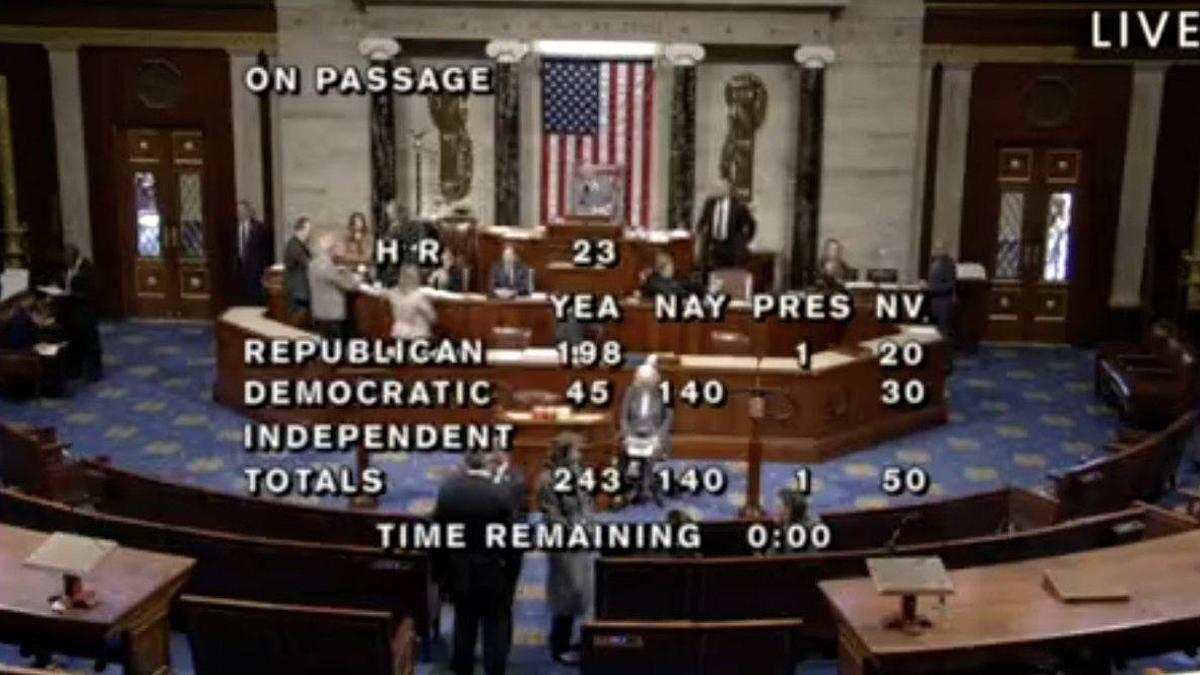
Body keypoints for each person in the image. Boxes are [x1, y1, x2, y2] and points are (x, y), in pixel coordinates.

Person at [434, 451, 516, 675]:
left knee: (463, 622)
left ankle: (462, 668)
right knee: (495, 626)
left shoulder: (447, 491)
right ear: (489, 464)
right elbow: (512, 543)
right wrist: (512, 577)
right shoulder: (502, 494)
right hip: (494, 573)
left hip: (459, 571)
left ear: (465, 463)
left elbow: (438, 539)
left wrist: (440, 576)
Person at [538, 433, 594, 665]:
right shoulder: (548, 479)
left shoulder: (579, 472)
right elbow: (552, 516)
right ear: (565, 452)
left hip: (584, 543)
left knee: (584, 594)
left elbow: (588, 503)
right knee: (566, 594)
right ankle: (559, 645)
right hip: (564, 545)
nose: (580, 454)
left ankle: (579, 644)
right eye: (576, 450)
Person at [619, 358, 672, 506]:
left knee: (649, 457)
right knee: (628, 455)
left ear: (655, 381)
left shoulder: (663, 394)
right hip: (633, 434)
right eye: (642, 381)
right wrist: (627, 435)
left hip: (654, 435)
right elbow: (624, 417)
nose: (644, 384)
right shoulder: (630, 392)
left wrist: (658, 438)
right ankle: (635, 487)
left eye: (648, 381)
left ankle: (645, 489)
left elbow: (667, 420)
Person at [490, 448, 528, 658]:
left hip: (507, 554)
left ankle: (501, 652)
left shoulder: (516, 480)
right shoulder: (477, 482)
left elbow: (518, 517)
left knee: (503, 605)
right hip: (482, 553)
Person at [694, 178, 756, 275]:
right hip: (714, 247)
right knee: (713, 274)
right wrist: (699, 236)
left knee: (729, 275)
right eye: (715, 187)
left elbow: (751, 224)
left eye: (719, 187)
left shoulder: (738, 205)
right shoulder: (710, 203)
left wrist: (745, 240)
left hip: (731, 247)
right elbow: (702, 222)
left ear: (727, 190)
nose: (716, 190)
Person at [307, 233, 361, 341]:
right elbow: (350, 285)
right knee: (335, 350)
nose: (338, 249)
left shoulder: (312, 264)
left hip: (318, 312)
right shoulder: (328, 266)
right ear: (331, 248)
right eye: (336, 246)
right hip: (332, 315)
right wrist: (349, 273)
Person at [61, 244, 102, 381]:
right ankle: (75, 370)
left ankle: (94, 372)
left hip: (86, 311)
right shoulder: (69, 268)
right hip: (72, 312)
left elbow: (91, 292)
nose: (65, 260)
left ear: (74, 256)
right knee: (74, 341)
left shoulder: (86, 268)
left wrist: (71, 294)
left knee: (90, 341)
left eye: (67, 257)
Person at [234, 201, 273, 305]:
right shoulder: (233, 228)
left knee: (255, 299)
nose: (239, 212)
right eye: (238, 210)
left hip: (255, 270)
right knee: (241, 300)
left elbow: (265, 251)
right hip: (239, 271)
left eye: (242, 210)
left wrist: (265, 270)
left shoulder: (259, 228)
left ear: (248, 211)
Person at [388, 265, 435, 340]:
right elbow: (432, 318)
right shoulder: (418, 296)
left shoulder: (392, 292)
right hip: (416, 335)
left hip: (397, 333)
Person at [928, 239, 956, 353]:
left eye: (940, 248)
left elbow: (950, 284)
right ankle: (938, 359)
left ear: (946, 250)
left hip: (944, 301)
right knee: (936, 332)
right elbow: (935, 281)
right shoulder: (935, 263)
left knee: (943, 331)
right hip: (935, 300)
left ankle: (946, 361)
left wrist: (932, 288)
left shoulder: (949, 264)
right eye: (936, 248)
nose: (937, 250)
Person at [283, 217, 313, 318]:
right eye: (308, 230)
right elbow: (308, 264)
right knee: (300, 322)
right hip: (298, 291)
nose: (309, 233)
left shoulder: (298, 244)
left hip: (300, 290)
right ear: (301, 230)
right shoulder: (294, 246)